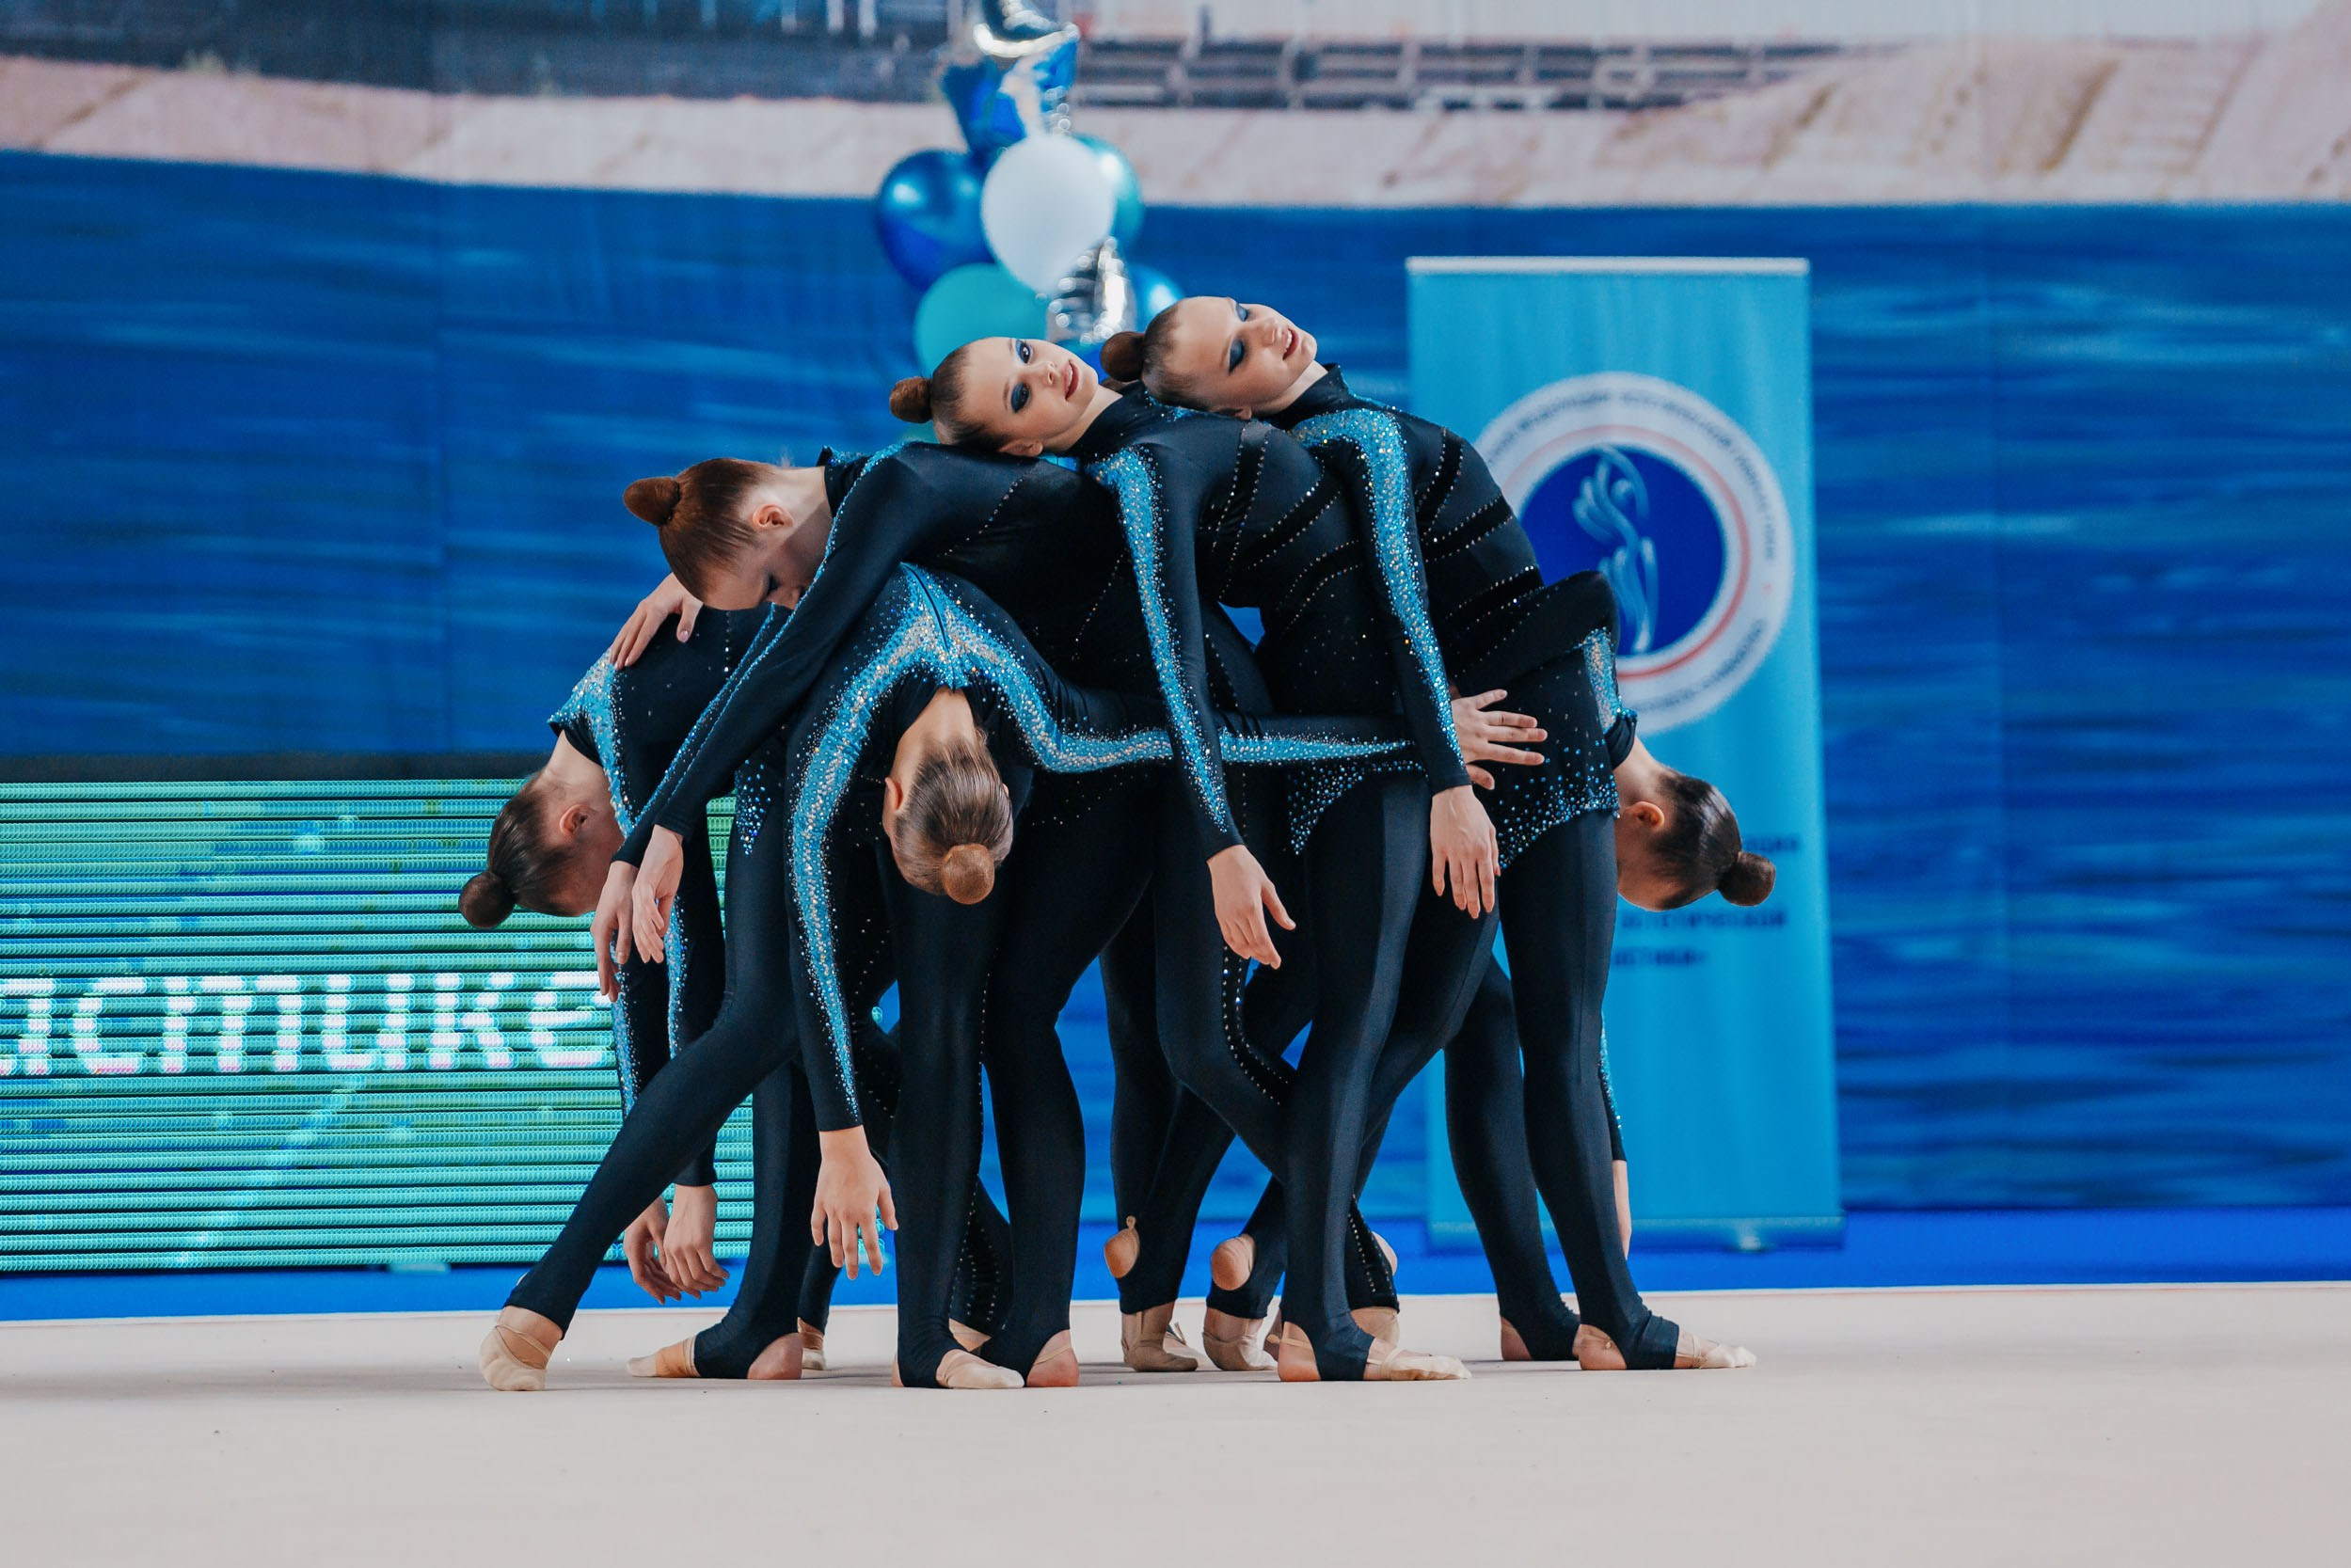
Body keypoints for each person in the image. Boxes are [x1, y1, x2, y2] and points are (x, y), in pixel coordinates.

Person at [1099, 301, 1770, 1370]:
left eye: (1246, 317)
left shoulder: (1326, 439)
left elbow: (1433, 614)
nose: (1262, 329)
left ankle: (1475, 1299)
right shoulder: (1353, 439)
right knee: (1531, 1024)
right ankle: (1609, 1313)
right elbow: (1411, 607)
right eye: (1234, 353)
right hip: (1539, 735)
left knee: (1426, 1018)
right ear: (1220, 410)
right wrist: (1453, 772)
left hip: (1476, 736)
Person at [889, 337, 1491, 1382]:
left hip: (1213, 746)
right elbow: (1176, 658)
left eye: (1032, 349)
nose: (1050, 367)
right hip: (1188, 751)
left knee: (1210, 1037)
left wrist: (1418, 748)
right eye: (1023, 389)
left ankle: (1261, 1275)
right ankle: (1227, 1281)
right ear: (1021, 442)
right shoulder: (1129, 470)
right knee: (1146, 1030)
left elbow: (1197, 657)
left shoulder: (1156, 439)